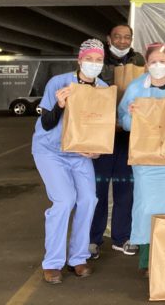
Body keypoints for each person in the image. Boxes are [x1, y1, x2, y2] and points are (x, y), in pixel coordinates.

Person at [31, 39, 107, 284]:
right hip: (51, 150)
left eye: (98, 60)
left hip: (79, 155)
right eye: (89, 59)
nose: (93, 63)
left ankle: (78, 257)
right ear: (80, 60)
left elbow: (100, 129)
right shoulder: (59, 82)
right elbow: (46, 123)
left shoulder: (103, 88)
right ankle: (53, 262)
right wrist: (60, 105)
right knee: (64, 200)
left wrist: (96, 151)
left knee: (88, 200)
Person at [118, 42, 165, 276]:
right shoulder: (135, 87)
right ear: (146, 65)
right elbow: (123, 122)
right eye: (153, 62)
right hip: (145, 158)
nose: (158, 65)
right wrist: (131, 115)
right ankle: (148, 261)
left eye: (162, 61)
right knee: (145, 207)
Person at [89, 24, 145, 259]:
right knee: (97, 189)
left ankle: (122, 237)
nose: (122, 41)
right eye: (117, 37)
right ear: (108, 38)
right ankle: (93, 239)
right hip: (101, 134)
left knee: (125, 187)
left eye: (127, 37)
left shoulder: (139, 60)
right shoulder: (97, 61)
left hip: (128, 135)